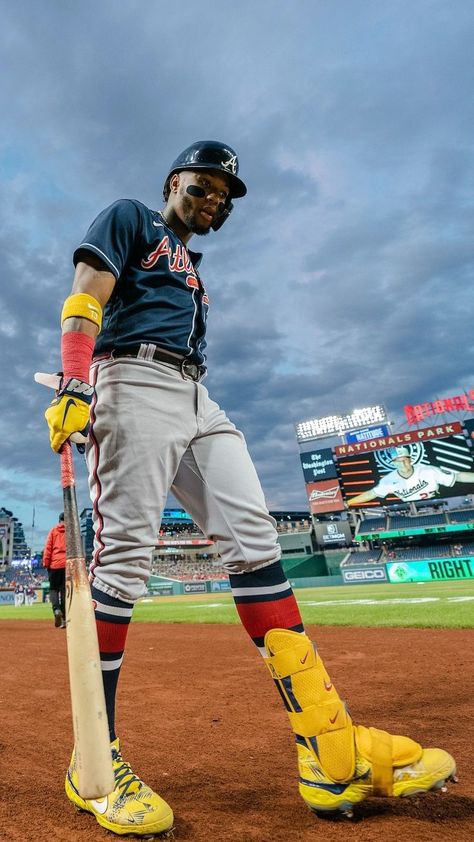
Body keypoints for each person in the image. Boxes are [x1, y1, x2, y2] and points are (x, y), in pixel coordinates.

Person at [44, 140, 456, 837]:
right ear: (175, 180)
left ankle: (328, 750)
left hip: (195, 394)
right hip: (130, 380)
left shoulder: (195, 274)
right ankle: (92, 764)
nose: (213, 202)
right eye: (204, 187)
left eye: (225, 198)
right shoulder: (132, 220)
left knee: (257, 546)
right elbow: (86, 294)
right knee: (125, 563)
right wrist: (76, 378)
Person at [348, 446, 474, 506]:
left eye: (405, 459)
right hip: (411, 509)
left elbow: (458, 477)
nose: (402, 463)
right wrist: (349, 502)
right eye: (398, 461)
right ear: (393, 464)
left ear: (411, 459)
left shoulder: (428, 470)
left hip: (439, 504)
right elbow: (371, 493)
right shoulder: (388, 480)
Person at [43, 513, 66, 628]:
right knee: (64, 592)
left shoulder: (53, 531)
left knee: (53, 589)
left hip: (55, 565)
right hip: (67, 564)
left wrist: (46, 564)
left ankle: (56, 610)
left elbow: (48, 548)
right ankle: (64, 619)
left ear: (59, 520)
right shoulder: (72, 532)